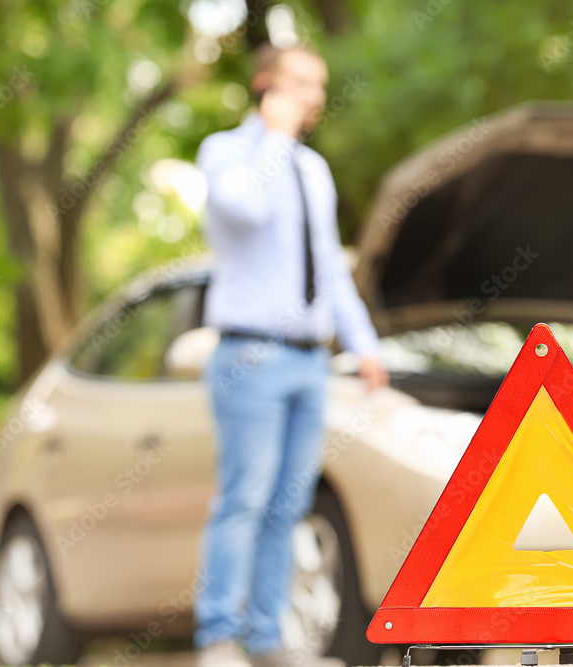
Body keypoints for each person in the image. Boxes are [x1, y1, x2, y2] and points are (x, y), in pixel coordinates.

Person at [193, 43, 389, 667]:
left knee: (289, 505)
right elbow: (242, 210)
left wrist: (362, 344)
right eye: (301, 83)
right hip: (250, 355)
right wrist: (273, 140)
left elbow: (330, 268)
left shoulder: (314, 171)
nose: (314, 97)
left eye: (319, 85)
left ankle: (266, 635)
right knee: (244, 498)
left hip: (310, 361)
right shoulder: (227, 153)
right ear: (265, 87)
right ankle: (218, 635)